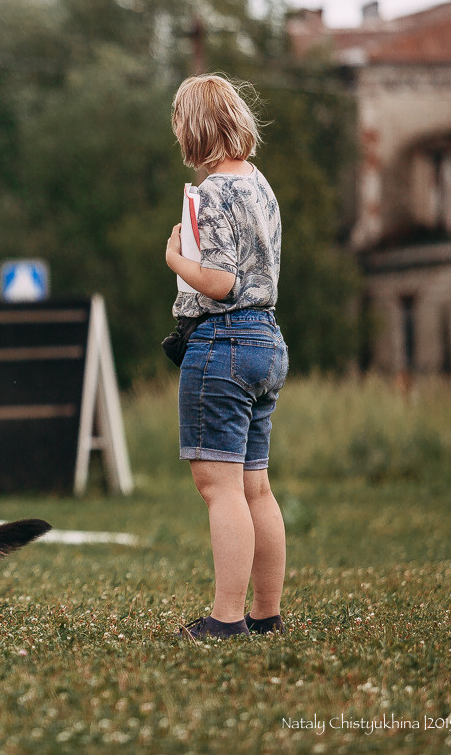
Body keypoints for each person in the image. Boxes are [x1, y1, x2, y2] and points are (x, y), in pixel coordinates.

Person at [164, 74, 290, 641]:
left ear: (193, 129)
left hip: (224, 343)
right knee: (257, 486)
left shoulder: (211, 192)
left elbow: (218, 281)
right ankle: (266, 613)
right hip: (266, 339)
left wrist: (175, 259)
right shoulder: (260, 185)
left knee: (221, 488)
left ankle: (226, 618)